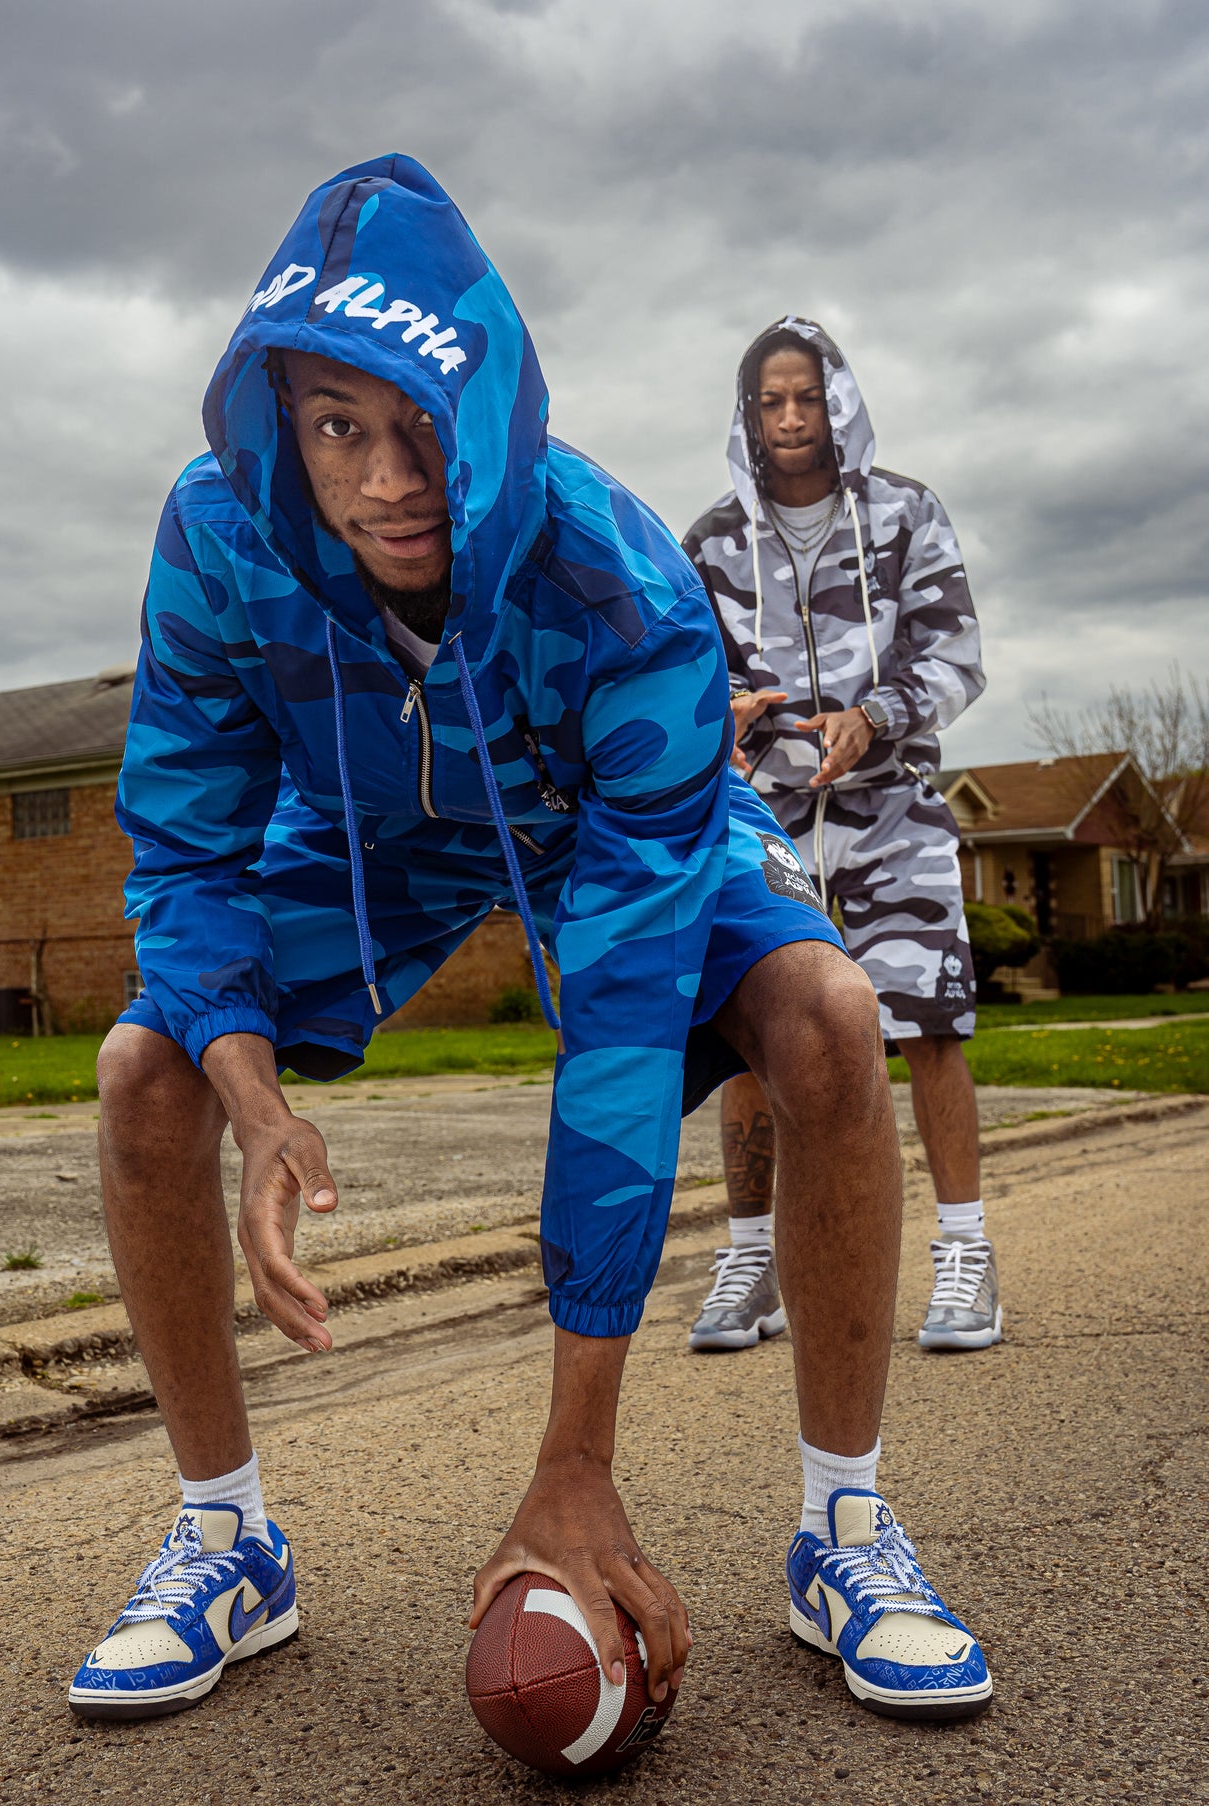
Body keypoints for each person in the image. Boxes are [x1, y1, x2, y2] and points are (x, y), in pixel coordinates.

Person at [67, 166, 992, 1729]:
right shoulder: (221, 538)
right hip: (382, 835)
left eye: (422, 416)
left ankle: (844, 1525)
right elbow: (187, 845)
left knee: (829, 1013)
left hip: (604, 823)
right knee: (146, 1067)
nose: (388, 476)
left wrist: (577, 1469)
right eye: (336, 425)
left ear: (486, 399)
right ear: (280, 422)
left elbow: (622, 1022)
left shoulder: (619, 581)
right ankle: (229, 1540)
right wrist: (257, 1099)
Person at [682, 317, 995, 1359]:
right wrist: (712, 714)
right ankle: (750, 1259)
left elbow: (955, 655)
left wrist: (878, 712)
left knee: (926, 1023)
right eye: (767, 401)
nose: (787, 419)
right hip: (763, 818)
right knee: (744, 1034)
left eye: (804, 398)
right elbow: (685, 672)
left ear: (837, 404)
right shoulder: (711, 543)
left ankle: (964, 1254)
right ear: (746, 414)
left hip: (888, 806)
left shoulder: (904, 515)